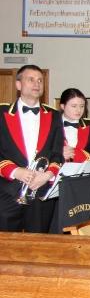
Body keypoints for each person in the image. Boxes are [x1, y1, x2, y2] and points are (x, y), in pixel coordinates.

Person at [0, 64, 64, 232]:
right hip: (7, 190)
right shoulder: (2, 113)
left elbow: (58, 153)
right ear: (18, 85)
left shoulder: (54, 115)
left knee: (38, 246)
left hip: (40, 191)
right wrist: (15, 171)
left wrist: (47, 175)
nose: (37, 84)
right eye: (31, 79)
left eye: (40, 80)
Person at [59, 88, 90, 163]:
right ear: (63, 106)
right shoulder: (51, 124)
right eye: (74, 106)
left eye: (82, 106)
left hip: (84, 172)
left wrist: (77, 154)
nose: (79, 110)